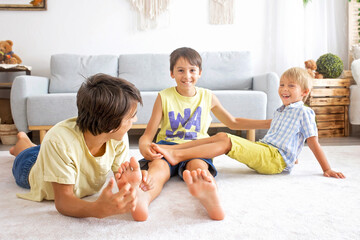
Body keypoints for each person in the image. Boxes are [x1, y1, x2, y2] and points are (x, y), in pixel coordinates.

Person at [136, 47, 272, 221]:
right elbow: (148, 135)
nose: (187, 76)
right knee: (158, 170)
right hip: (167, 147)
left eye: (192, 70)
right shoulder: (164, 97)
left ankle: (211, 198)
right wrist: (144, 145)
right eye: (180, 70)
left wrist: (267, 123)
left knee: (199, 169)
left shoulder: (207, 96)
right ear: (172, 73)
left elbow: (233, 122)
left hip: (198, 148)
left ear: (200, 73)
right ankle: (143, 197)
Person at [151, 67, 346, 179]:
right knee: (221, 136)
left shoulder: (305, 113)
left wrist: (327, 169)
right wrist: (294, 155)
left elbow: (312, 142)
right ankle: (178, 149)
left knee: (228, 142)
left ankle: (177, 155)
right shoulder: (282, 111)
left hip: (273, 159)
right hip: (266, 150)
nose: (284, 89)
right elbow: (290, 137)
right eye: (282, 85)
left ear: (304, 92)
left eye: (291, 86)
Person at [10, 73, 153, 219]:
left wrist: (133, 184)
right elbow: (63, 201)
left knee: (49, 148)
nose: (135, 119)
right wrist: (96, 209)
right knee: (27, 153)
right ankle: (22, 140)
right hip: (30, 166)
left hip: (62, 151)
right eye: (131, 116)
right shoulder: (58, 142)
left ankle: (31, 144)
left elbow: (125, 182)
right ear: (111, 126)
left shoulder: (118, 137)